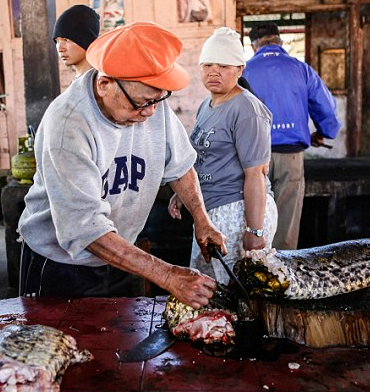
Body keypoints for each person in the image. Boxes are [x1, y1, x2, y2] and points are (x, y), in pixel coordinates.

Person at [18, 21, 227, 310]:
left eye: (157, 100)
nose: (150, 112)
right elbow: (86, 229)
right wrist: (168, 275)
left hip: (123, 255)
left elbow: (180, 165)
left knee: (124, 342)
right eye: (142, 103)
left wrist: (203, 222)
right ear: (105, 84)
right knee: (62, 349)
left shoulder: (149, 101)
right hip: (63, 264)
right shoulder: (68, 125)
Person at [168, 28, 277, 285]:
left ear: (239, 69)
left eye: (223, 65)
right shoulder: (207, 105)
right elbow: (205, 157)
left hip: (237, 213)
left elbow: (255, 175)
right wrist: (183, 193)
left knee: (234, 295)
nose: (213, 71)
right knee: (206, 291)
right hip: (210, 213)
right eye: (207, 65)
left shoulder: (247, 109)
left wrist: (254, 230)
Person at [243, 22, 342, 250]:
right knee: (286, 225)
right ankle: (281, 275)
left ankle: (251, 272)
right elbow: (325, 107)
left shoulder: (245, 71)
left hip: (253, 160)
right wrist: (323, 132)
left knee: (253, 219)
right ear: (280, 41)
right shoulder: (301, 68)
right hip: (291, 156)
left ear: (253, 45)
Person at [52, 4, 100, 79]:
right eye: (57, 41)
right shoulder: (78, 82)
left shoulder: (100, 84)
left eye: (66, 40)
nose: (60, 49)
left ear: (86, 40)